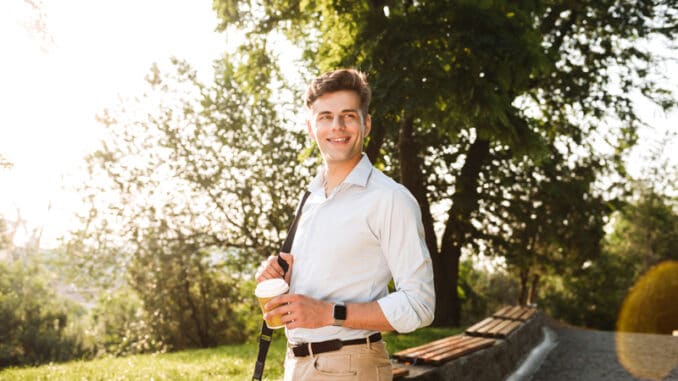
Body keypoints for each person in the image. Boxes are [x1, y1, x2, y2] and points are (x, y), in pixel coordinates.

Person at [256, 68, 435, 380]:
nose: (336, 126)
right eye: (325, 116)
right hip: (297, 365)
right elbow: (323, 281)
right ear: (311, 127)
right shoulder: (309, 198)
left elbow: (420, 304)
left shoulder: (390, 198)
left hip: (351, 366)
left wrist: (328, 313)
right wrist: (280, 277)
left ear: (365, 123)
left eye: (348, 115)